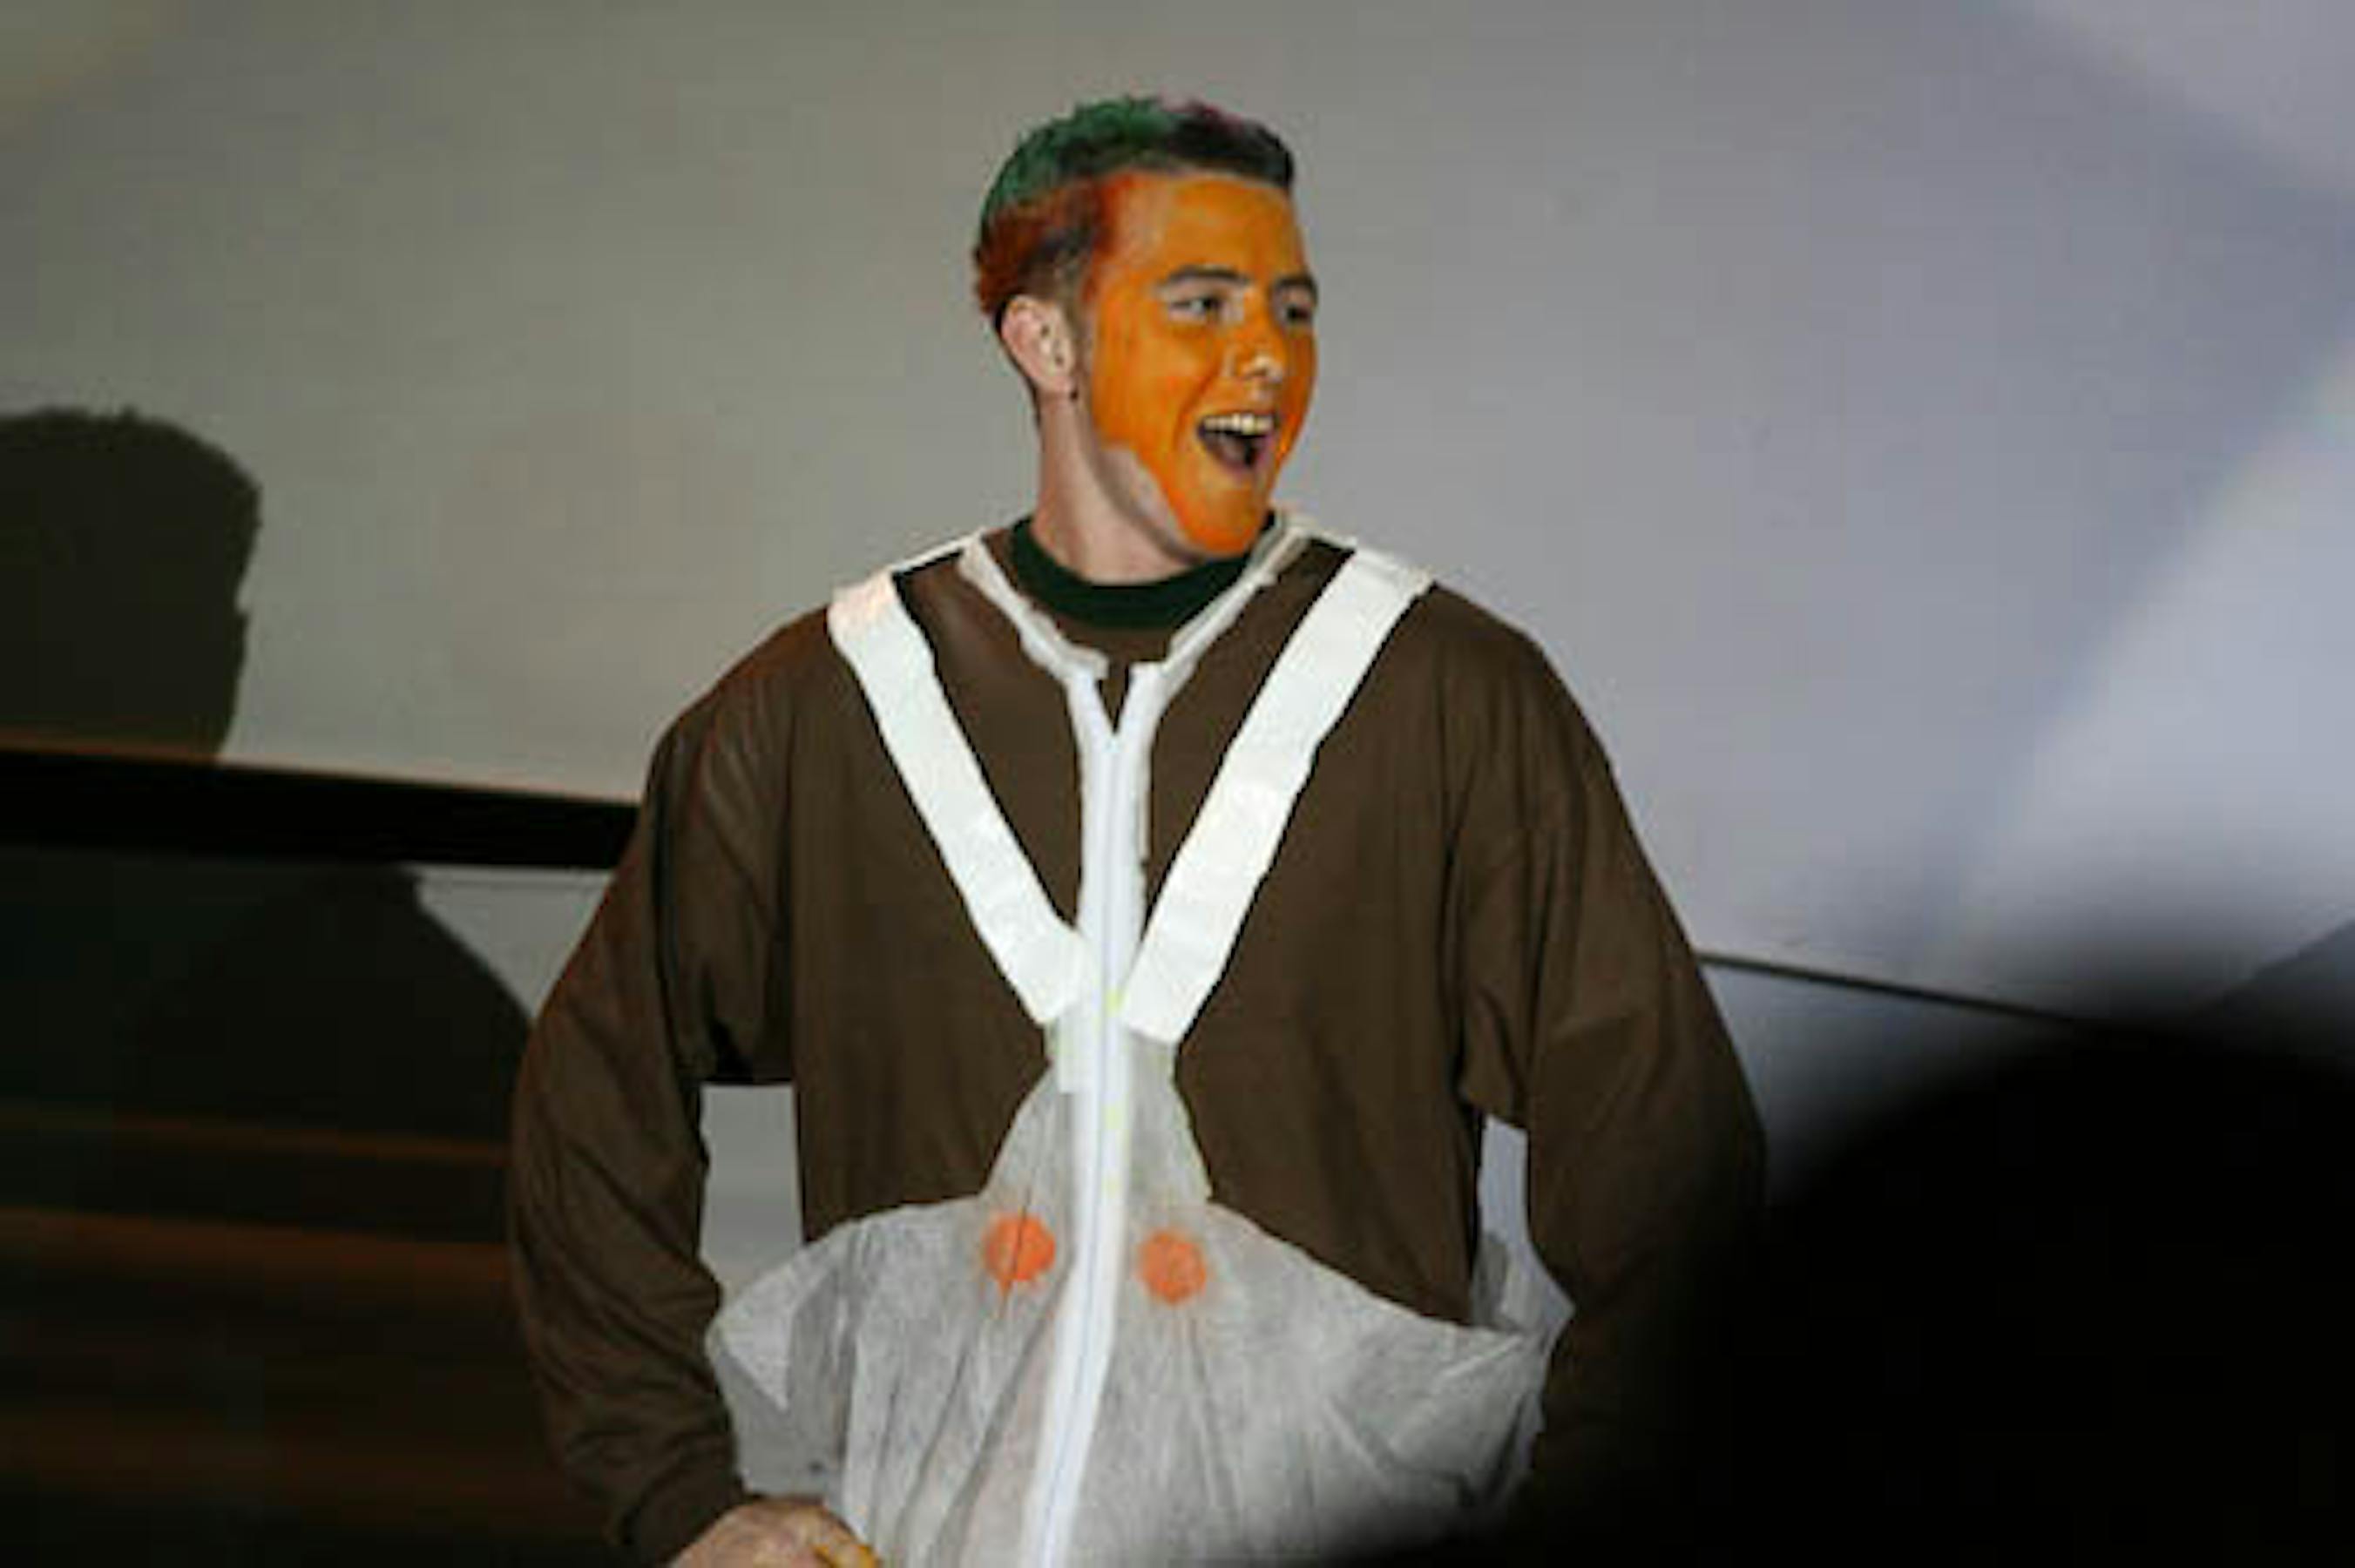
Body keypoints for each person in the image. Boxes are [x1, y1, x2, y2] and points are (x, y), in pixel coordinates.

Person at [509, 97, 1763, 1566]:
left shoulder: (1445, 701)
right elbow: (593, 1105)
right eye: (1204, 304)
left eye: (1293, 310)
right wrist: (679, 1498)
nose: (1267, 357)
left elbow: (1675, 1178)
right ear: (1045, 344)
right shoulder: (827, 707)